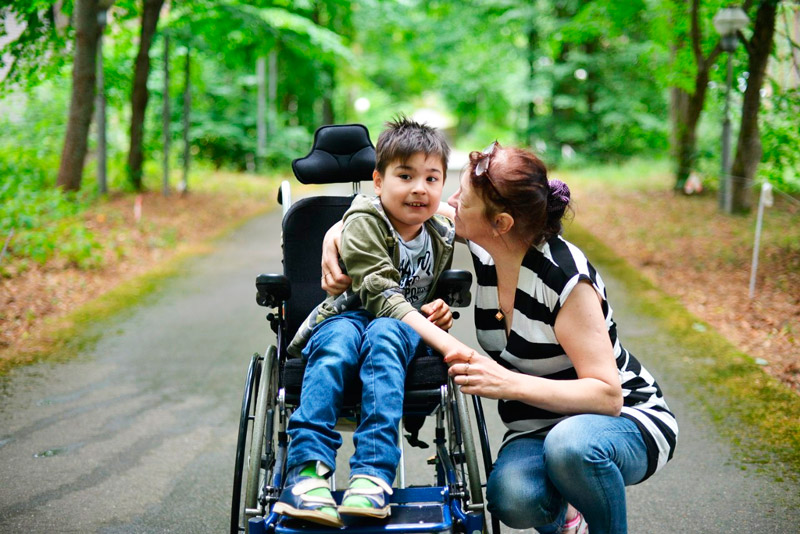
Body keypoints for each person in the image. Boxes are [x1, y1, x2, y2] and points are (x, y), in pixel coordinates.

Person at [321, 141, 678, 534]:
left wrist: (505, 382)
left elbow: (607, 396)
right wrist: (335, 235)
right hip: (536, 428)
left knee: (571, 448)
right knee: (511, 497)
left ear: (502, 222)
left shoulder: (564, 279)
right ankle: (568, 522)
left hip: (622, 419)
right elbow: (391, 213)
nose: (451, 201)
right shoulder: (488, 246)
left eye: (465, 199)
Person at [274, 117, 458, 528]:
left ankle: (372, 474)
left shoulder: (441, 230)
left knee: (387, 334)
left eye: (432, 179)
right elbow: (379, 294)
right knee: (341, 342)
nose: (418, 188)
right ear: (378, 181)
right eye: (405, 176)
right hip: (348, 313)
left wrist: (439, 308)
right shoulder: (362, 221)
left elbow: (476, 216)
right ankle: (307, 472)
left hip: (398, 326)